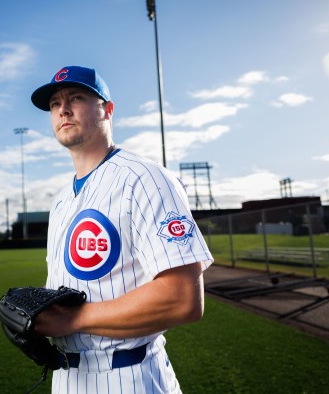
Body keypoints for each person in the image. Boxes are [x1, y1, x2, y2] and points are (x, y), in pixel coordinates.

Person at [30, 65, 213, 394]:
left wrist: (71, 320)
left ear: (107, 110)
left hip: (127, 375)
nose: (63, 109)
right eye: (55, 104)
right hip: (67, 377)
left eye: (76, 97)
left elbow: (184, 298)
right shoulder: (60, 202)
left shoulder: (144, 178)